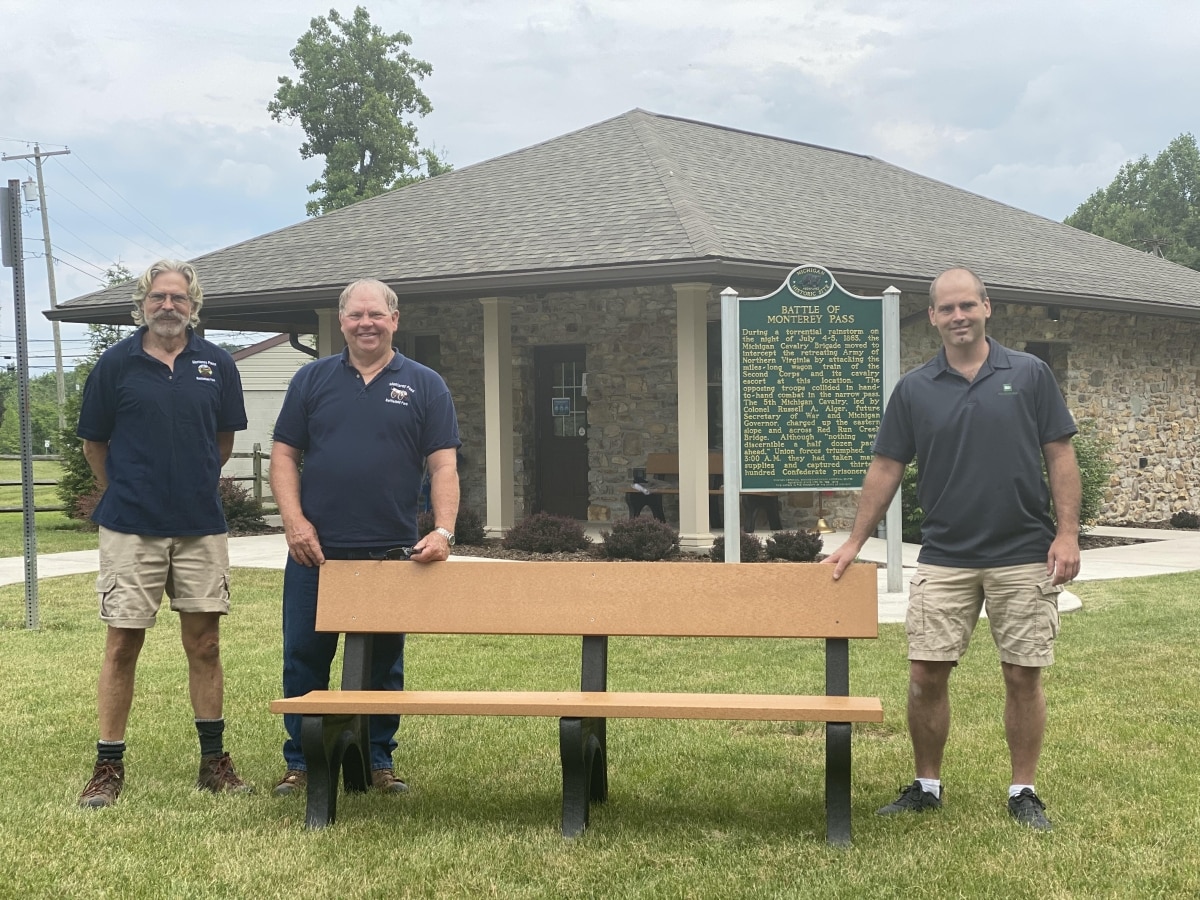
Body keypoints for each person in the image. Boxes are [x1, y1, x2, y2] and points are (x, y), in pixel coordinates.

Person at [824, 267, 1081, 832]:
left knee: (1022, 674)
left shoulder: (1031, 374)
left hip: (1022, 553)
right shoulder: (914, 388)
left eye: (968, 305)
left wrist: (1067, 533)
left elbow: (1059, 454)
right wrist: (854, 541)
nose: (958, 316)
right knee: (925, 673)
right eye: (947, 308)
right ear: (934, 316)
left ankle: (1023, 790)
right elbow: (886, 466)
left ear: (987, 307)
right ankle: (927, 784)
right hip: (944, 556)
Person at [270, 278, 461, 797]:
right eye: (356, 316)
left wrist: (443, 530)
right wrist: (294, 522)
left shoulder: (425, 384)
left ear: (395, 320)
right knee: (304, 658)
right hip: (316, 552)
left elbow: (443, 464)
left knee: (383, 662)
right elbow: (284, 455)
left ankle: (377, 761)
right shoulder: (311, 380)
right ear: (342, 322)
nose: (366, 324)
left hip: (390, 553)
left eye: (376, 314)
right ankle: (303, 762)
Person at [76, 260, 251, 808]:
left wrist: (189, 483)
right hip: (130, 527)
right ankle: (108, 767)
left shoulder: (217, 365)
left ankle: (214, 762)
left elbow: (220, 443)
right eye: (158, 297)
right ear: (142, 305)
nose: (168, 306)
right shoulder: (115, 364)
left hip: (200, 526)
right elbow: (94, 446)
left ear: (193, 306)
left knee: (206, 644)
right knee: (122, 643)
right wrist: (127, 490)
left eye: (178, 298)